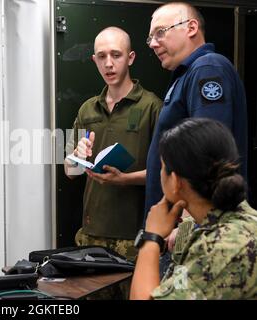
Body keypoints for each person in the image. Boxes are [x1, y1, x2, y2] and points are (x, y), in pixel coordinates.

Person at [130, 118, 257, 299]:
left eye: (162, 166)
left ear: (175, 181)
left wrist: (151, 238)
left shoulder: (221, 249)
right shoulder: (235, 223)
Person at [64, 27, 162, 262]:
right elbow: (69, 171)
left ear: (130, 58)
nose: (108, 63)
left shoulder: (152, 106)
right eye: (101, 56)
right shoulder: (87, 109)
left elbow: (167, 173)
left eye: (116, 55)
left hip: (135, 236)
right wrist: (77, 157)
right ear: (94, 60)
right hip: (90, 235)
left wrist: (126, 179)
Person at [144, 1, 247, 220]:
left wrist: (187, 223)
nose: (153, 43)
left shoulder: (207, 68)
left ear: (191, 28)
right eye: (150, 37)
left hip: (190, 226)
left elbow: (208, 156)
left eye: (160, 33)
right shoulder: (187, 74)